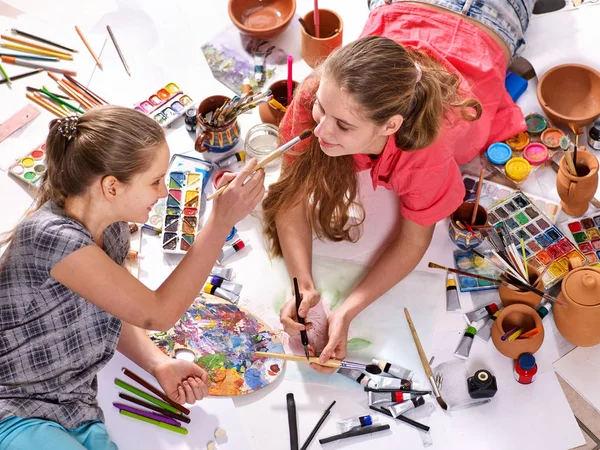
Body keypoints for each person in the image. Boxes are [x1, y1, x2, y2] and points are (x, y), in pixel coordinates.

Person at [263, 0, 535, 373]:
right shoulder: (316, 93)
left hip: (492, 15)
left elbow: (413, 241)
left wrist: (348, 310)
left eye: (343, 126)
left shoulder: (426, 147)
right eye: (322, 111)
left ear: (390, 126)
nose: (321, 131)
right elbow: (288, 196)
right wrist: (302, 286)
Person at [0, 106, 265, 450]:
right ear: (112, 187)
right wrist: (218, 222)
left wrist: (158, 363)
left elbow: (111, 309)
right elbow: (157, 313)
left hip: (73, 401)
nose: (164, 192)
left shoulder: (112, 231)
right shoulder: (53, 238)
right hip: (12, 403)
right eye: (155, 181)